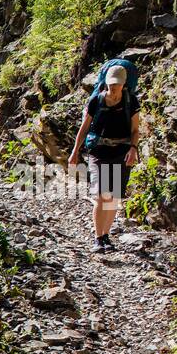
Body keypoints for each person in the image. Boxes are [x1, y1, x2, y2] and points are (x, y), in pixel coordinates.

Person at [68, 64, 140, 252]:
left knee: (113, 197)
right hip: (98, 152)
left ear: (124, 84)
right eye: (110, 84)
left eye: (116, 84)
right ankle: (98, 238)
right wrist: (75, 151)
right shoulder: (96, 100)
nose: (113, 87)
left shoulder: (131, 101)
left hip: (121, 152)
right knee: (101, 195)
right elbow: (84, 128)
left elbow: (135, 130)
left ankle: (106, 236)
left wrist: (133, 148)